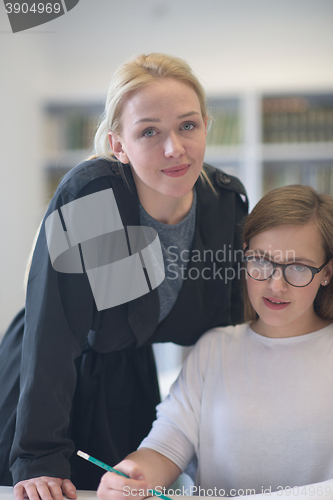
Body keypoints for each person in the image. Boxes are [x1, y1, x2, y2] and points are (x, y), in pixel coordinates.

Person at [0, 53, 248, 500]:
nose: (174, 148)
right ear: (118, 145)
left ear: (207, 126)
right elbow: (54, 335)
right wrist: (39, 457)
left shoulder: (224, 203)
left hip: (127, 373)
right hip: (46, 380)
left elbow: (229, 338)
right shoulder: (94, 197)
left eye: (188, 125)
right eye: (149, 131)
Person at [96, 184, 333, 500]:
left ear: (327, 273)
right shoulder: (215, 349)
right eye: (261, 261)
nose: (276, 285)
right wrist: (132, 476)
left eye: (298, 268)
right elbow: (165, 444)